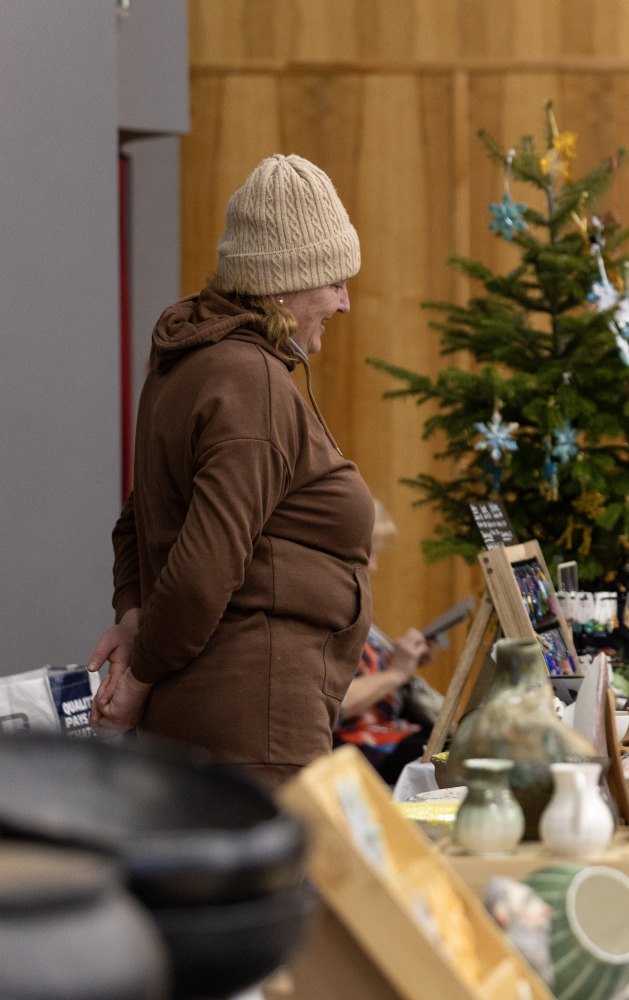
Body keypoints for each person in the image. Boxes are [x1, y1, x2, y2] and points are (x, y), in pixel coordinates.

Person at [90, 153, 371, 789]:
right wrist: (135, 679)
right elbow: (202, 569)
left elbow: (138, 519)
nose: (346, 302)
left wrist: (133, 616)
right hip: (257, 731)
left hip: (229, 725)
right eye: (334, 281)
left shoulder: (187, 363)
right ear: (285, 282)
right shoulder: (251, 381)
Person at [335, 500, 433, 783]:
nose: (375, 566)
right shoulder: (329, 614)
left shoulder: (353, 602)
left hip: (390, 732)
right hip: (360, 746)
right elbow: (334, 702)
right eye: (371, 554)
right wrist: (396, 673)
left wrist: (402, 659)